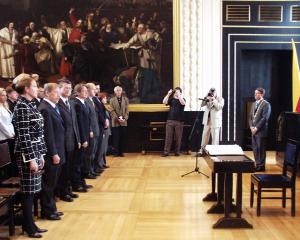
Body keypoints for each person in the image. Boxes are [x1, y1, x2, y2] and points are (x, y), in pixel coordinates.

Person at [12, 76, 47, 238]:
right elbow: (24, 136)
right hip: (26, 155)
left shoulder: (29, 104)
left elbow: (38, 134)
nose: (36, 88)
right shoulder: (21, 107)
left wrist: (41, 154)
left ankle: (30, 223)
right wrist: (32, 159)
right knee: (27, 191)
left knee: (32, 191)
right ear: (26, 89)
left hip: (35, 152)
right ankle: (28, 227)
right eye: (34, 86)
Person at [38, 83, 65, 221]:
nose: (58, 95)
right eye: (56, 92)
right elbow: (48, 135)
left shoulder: (52, 107)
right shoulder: (45, 109)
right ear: (47, 93)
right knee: (48, 183)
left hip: (58, 150)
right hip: (52, 153)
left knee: (53, 182)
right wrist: (54, 153)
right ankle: (47, 211)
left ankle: (52, 208)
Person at [123, 23, 161, 103]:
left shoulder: (151, 33)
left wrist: (154, 45)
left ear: (143, 28)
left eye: (140, 28)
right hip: (143, 55)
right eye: (138, 28)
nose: (138, 30)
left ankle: (151, 90)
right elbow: (131, 41)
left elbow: (158, 40)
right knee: (144, 71)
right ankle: (143, 91)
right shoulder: (138, 35)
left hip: (152, 54)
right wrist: (126, 46)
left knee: (152, 71)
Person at [57, 79, 80, 202]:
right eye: (66, 88)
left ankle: (68, 190)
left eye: (70, 88)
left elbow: (74, 123)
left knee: (69, 168)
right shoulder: (57, 103)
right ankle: (63, 192)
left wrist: (78, 139)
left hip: (71, 141)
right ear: (59, 89)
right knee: (64, 170)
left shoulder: (70, 102)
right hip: (63, 142)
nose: (68, 90)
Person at [249, 87, 271, 172]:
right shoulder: (254, 103)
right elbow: (250, 116)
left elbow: (265, 118)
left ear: (261, 94)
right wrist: (251, 127)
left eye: (257, 93)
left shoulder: (266, 104)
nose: (255, 95)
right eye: (255, 93)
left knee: (261, 149)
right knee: (255, 148)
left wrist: (256, 128)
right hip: (253, 130)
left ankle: (261, 166)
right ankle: (257, 164)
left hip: (261, 131)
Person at [161, 87, 186, 157]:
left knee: (178, 137)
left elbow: (183, 103)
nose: (176, 93)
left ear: (181, 93)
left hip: (179, 122)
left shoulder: (183, 99)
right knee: (168, 137)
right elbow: (164, 102)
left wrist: (179, 96)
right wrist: (168, 94)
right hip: (170, 121)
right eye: (175, 92)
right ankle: (166, 152)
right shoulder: (171, 99)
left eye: (178, 92)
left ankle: (177, 152)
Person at [199, 88, 224, 154]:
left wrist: (213, 100)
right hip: (207, 120)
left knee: (215, 137)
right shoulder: (207, 98)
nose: (211, 94)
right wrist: (206, 97)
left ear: (216, 93)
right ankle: (202, 150)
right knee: (205, 136)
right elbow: (202, 105)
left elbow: (219, 107)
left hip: (215, 121)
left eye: (213, 92)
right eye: (210, 92)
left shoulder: (220, 99)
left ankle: (214, 152)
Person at [109, 86, 129, 157]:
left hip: (124, 122)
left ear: (122, 91)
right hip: (115, 122)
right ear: (115, 92)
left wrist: (125, 118)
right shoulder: (111, 100)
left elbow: (127, 110)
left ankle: (121, 152)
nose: (119, 92)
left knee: (122, 137)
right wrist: (117, 118)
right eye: (117, 90)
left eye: (120, 90)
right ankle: (116, 152)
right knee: (116, 138)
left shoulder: (126, 99)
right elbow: (111, 110)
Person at [0, 88, 15, 176]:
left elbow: (9, 122)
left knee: (10, 162)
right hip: (3, 138)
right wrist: (10, 134)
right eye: (2, 95)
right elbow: (1, 124)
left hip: (10, 136)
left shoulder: (5, 106)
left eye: (5, 95)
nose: (5, 97)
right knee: (5, 162)